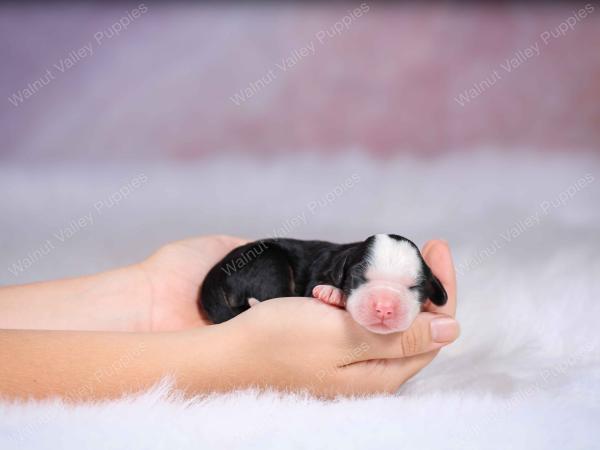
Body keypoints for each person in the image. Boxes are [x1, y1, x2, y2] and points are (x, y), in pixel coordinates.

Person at [0, 235, 459, 399]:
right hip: (256, 268)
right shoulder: (327, 268)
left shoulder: (349, 266)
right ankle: (246, 308)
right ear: (344, 272)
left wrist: (147, 294)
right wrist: (233, 355)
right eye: (366, 284)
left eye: (411, 290)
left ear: (428, 290)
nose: (383, 305)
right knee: (275, 267)